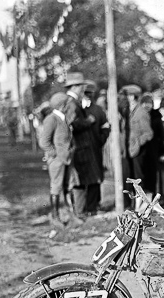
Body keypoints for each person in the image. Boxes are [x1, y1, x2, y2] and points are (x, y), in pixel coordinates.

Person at [63, 72, 101, 222]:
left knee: (84, 179)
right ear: (75, 87)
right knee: (80, 180)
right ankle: (80, 212)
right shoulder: (72, 103)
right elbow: (71, 124)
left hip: (82, 147)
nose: (83, 89)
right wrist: (88, 122)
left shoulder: (73, 101)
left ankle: (83, 210)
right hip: (80, 147)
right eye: (81, 86)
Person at [38, 92, 74, 227]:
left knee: (68, 186)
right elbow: (44, 142)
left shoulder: (63, 118)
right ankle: (55, 217)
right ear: (62, 105)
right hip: (57, 161)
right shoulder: (51, 119)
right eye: (67, 104)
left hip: (66, 158)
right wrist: (55, 154)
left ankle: (72, 215)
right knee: (56, 187)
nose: (68, 107)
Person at [82, 80, 110, 213]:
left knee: (96, 177)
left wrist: (101, 140)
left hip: (95, 148)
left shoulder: (98, 110)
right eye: (86, 93)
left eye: (90, 93)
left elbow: (105, 126)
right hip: (80, 150)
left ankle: (94, 205)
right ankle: (85, 206)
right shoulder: (78, 109)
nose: (88, 96)